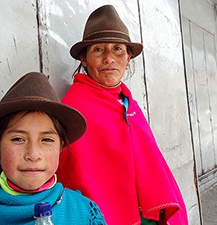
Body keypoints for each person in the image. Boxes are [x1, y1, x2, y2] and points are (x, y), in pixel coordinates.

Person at [56, 5, 188, 225]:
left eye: (118, 49)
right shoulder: (75, 107)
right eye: (98, 50)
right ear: (84, 59)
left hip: (147, 213)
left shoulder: (128, 103)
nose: (109, 58)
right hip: (107, 216)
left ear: (128, 58)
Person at [0, 72, 106, 225]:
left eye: (47, 139)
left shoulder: (82, 213)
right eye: (18, 139)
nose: (33, 154)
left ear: (61, 146)